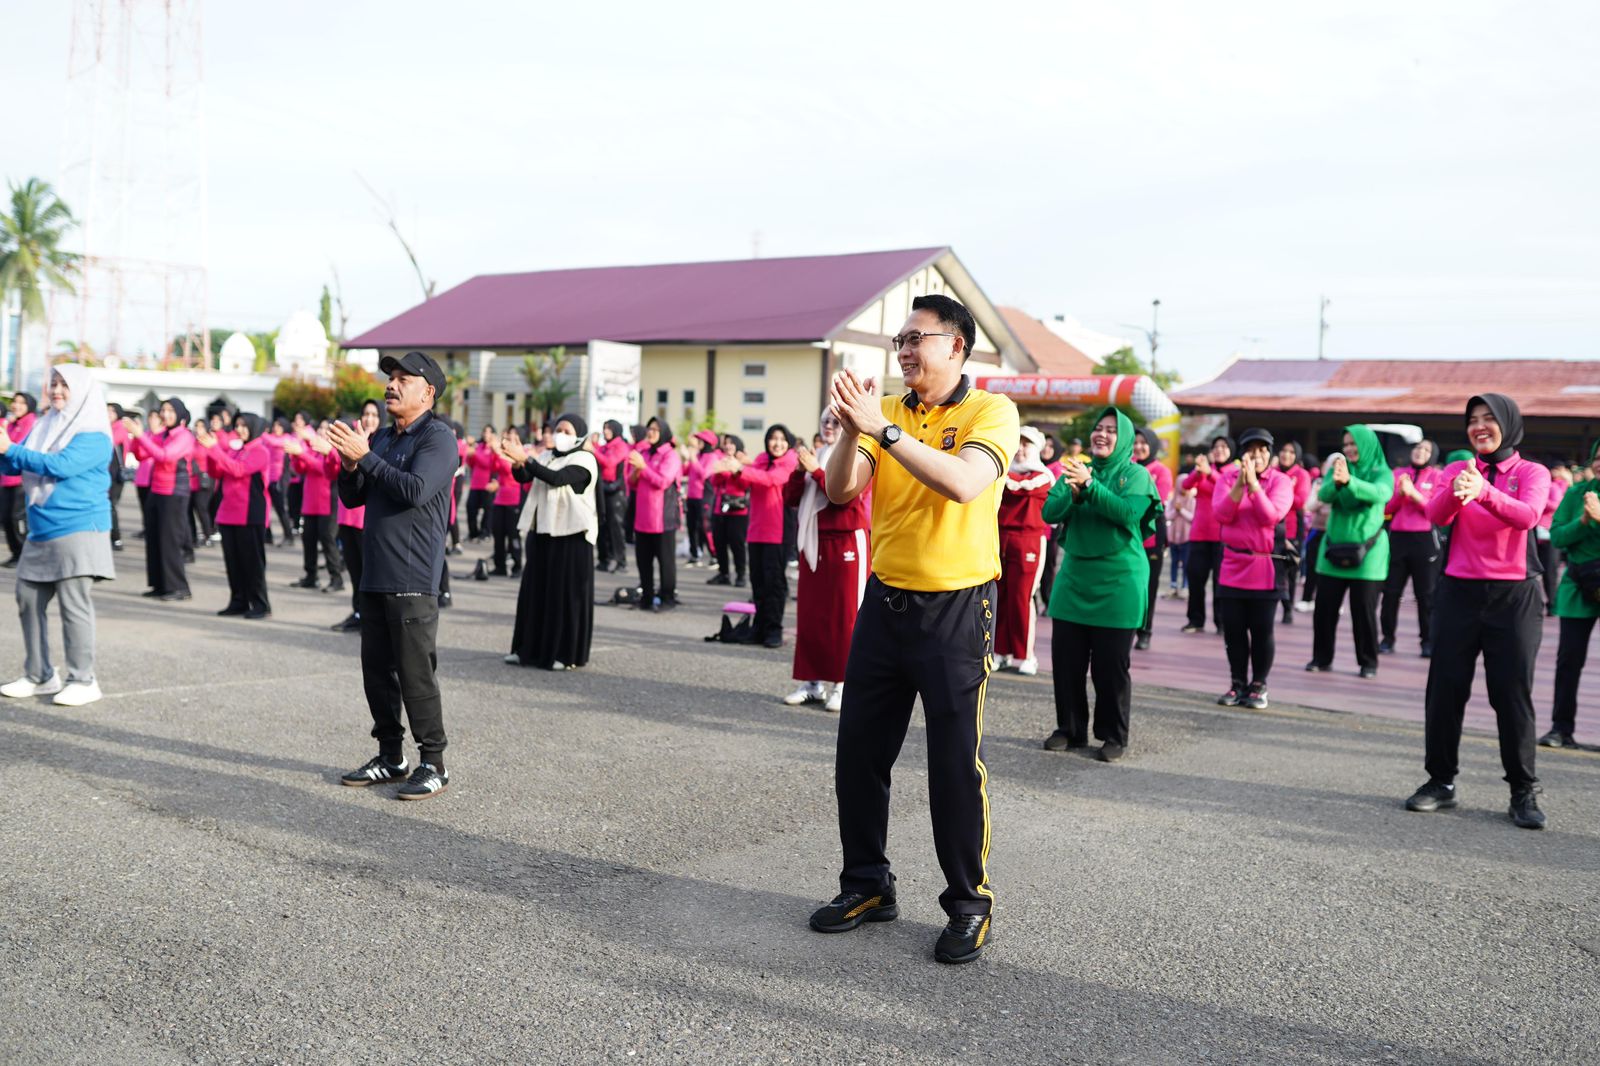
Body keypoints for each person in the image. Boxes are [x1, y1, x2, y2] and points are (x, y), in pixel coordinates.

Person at [807, 293, 1019, 966]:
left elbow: (964, 483)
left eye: (914, 339)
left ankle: (969, 903)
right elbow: (841, 490)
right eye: (898, 341)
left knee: (953, 763)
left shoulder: (990, 411)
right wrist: (853, 429)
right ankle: (867, 884)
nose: (902, 351)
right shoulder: (888, 411)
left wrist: (886, 431)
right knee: (859, 754)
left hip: (957, 608)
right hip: (886, 602)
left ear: (956, 346)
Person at [1406, 394, 1550, 830]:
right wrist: (1459, 490)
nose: (1480, 426)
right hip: (1458, 592)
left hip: (1514, 597)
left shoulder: (1532, 472)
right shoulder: (1456, 469)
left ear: (1509, 423)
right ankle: (1441, 781)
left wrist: (1484, 491)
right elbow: (1436, 515)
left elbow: (1528, 516)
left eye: (1489, 418)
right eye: (1473, 420)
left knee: (1511, 693)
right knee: (1445, 689)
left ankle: (1522, 789)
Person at [332, 351, 457, 800]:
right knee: (377, 673)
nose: (392, 385)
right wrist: (351, 465)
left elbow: (415, 490)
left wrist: (365, 457)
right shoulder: (383, 437)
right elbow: (353, 498)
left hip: (413, 575)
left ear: (428, 392)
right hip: (376, 572)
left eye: (404, 379)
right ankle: (391, 756)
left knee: (415, 675)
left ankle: (433, 763)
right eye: (391, 378)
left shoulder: (438, 438)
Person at [1041, 407, 1160, 760]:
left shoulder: (1136, 474)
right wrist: (1075, 492)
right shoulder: (1077, 468)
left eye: (1111, 430)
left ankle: (1113, 735)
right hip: (1075, 578)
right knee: (1067, 662)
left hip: (1119, 581)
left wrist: (1091, 487)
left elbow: (1128, 513)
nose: (1102, 434)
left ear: (1123, 439)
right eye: (1098, 428)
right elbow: (1050, 513)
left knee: (1110, 667)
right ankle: (1070, 729)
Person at [0, 365, 114, 707]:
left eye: (65, 384)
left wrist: (11, 450)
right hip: (42, 527)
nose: (57, 390)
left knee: (72, 603)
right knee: (27, 597)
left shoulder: (95, 433)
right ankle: (40, 675)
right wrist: (4, 450)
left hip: (79, 525)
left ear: (82, 390)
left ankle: (83, 679)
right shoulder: (44, 425)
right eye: (53, 383)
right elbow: (16, 462)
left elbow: (60, 465)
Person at [782, 411, 870, 711]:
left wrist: (818, 472)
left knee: (846, 617)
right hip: (814, 541)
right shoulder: (817, 454)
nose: (829, 426)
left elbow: (846, 500)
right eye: (825, 422)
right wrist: (799, 472)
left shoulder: (857, 455)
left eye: (835, 421)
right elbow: (791, 498)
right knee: (811, 614)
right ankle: (812, 681)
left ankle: (844, 683)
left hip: (845, 542)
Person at [500, 414, 599, 669]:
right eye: (558, 429)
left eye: (566, 431)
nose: (560, 434)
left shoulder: (584, 459)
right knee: (535, 591)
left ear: (579, 435)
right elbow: (526, 477)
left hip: (572, 535)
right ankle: (527, 649)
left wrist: (526, 459)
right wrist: (518, 462)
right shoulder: (547, 456)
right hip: (543, 530)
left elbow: (557, 479)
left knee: (563, 596)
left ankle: (563, 654)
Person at [1212, 428, 1295, 709]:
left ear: (1270, 454)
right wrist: (1240, 484)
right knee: (1234, 630)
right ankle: (1237, 683)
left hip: (1265, 567)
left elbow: (1270, 516)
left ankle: (1259, 684)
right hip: (1232, 565)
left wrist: (1255, 487)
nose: (1257, 455)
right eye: (1251, 450)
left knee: (1261, 630)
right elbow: (1222, 514)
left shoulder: (1281, 481)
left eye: (1262, 450)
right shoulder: (1227, 478)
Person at [1305, 425, 1391, 678]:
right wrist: (1338, 481)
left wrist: (1350, 482)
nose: (1349, 449)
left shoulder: (1382, 471)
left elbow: (1381, 494)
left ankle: (1368, 662)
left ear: (1367, 445)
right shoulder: (1339, 467)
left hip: (1369, 554)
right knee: (1324, 610)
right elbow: (1324, 494)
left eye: (1354, 444)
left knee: (1363, 611)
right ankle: (1321, 658)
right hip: (1333, 549)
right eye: (1345, 445)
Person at [1542, 439, 1600, 749]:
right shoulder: (1577, 493)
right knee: (1568, 660)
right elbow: (1557, 536)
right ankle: (1560, 728)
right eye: (1598, 457)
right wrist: (1584, 521)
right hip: (1578, 584)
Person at [722, 424, 798, 647]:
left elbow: (770, 479)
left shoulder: (790, 461)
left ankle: (774, 629)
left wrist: (740, 468)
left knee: (774, 584)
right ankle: (759, 628)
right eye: (773, 438)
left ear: (788, 442)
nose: (777, 443)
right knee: (758, 582)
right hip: (756, 529)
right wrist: (732, 469)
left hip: (778, 530)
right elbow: (746, 482)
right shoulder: (761, 459)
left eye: (782, 439)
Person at [196, 412, 272, 619]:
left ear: (254, 427)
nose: (239, 429)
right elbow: (217, 472)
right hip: (228, 513)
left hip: (250, 514)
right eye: (237, 425)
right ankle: (239, 601)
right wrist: (209, 452)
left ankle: (260, 604)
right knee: (233, 562)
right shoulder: (235, 450)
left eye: (244, 426)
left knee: (252, 563)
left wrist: (215, 450)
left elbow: (238, 470)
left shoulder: (261, 451)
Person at [994, 426, 1054, 675]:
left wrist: (995, 470)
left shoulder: (1044, 476)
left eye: (1026, 444)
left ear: (1037, 448)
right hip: (1001, 537)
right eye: (1017, 443)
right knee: (999, 596)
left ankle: (1026, 655)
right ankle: (1000, 651)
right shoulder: (1005, 471)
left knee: (1022, 597)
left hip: (1028, 540)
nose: (1020, 449)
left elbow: (1019, 486)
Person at [125, 397, 195, 600]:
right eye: (163, 410)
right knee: (154, 539)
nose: (165, 414)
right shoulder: (161, 434)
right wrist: (137, 437)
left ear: (179, 414)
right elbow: (141, 455)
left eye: (170, 411)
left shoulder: (184, 436)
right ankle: (160, 584)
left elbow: (165, 456)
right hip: (156, 490)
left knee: (169, 541)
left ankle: (178, 587)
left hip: (174, 493)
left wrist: (141, 436)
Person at [1380, 439, 1442, 657]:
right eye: (1417, 447)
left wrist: (1414, 494)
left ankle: (1427, 641)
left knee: (1425, 595)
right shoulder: (1398, 474)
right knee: (1390, 592)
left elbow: (1435, 509)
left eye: (1426, 449)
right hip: (1398, 538)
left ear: (1432, 454)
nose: (1420, 451)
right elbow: (1386, 509)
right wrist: (1400, 494)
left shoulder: (1437, 476)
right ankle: (1387, 638)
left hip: (1424, 540)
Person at [331, 400, 383, 632]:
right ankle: (358, 612)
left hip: (366, 520)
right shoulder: (351, 440)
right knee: (354, 571)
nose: (369, 419)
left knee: (369, 573)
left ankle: (371, 617)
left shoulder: (382, 444)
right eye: (365, 414)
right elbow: (334, 473)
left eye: (374, 414)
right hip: (347, 516)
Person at [626, 416, 682, 611]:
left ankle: (667, 597)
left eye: (655, 429)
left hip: (662, 518)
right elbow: (631, 482)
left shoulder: (670, 456)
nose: (651, 432)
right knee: (643, 561)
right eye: (649, 428)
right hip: (643, 517)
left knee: (666, 562)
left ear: (663, 432)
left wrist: (643, 467)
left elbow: (663, 482)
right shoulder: (643, 453)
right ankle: (647, 597)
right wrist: (636, 472)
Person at [1180, 435, 1233, 633]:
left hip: (1222, 535)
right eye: (1216, 447)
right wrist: (1198, 472)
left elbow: (1228, 490)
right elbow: (1186, 486)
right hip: (1199, 533)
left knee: (1221, 581)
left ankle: (1222, 622)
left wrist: (1210, 473)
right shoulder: (1203, 470)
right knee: (1195, 578)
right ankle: (1196, 619)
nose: (1219, 450)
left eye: (1224, 447)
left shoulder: (1233, 472)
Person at [284, 423, 345, 592]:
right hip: (310, 504)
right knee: (308, 539)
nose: (321, 432)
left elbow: (322, 469)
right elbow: (300, 469)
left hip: (327, 503)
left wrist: (301, 453)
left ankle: (336, 578)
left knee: (328, 541)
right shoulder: (312, 450)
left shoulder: (333, 452)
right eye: (320, 429)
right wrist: (295, 456)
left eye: (326, 429)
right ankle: (311, 576)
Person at [1133, 427, 1173, 651]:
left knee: (1149, 587)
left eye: (1144, 443)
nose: (1139, 447)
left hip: (1152, 537)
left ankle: (1145, 631)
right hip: (1128, 536)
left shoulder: (1162, 471)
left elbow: (1157, 501)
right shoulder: (1127, 467)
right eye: (1136, 442)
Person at [1274, 441, 1312, 622]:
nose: (1286, 454)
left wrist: (1286, 488)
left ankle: (1287, 608)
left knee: (1289, 572)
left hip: (1292, 530)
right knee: (1272, 570)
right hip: (1271, 529)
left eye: (1291, 452)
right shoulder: (1273, 472)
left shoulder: (1302, 474)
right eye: (1283, 450)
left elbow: (1300, 502)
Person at [1, 391, 39, 567]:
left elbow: (16, 448)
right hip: (6, 478)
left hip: (21, 480)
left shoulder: (32, 424)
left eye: (21, 403)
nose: (16, 405)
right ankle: (16, 553)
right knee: (6, 518)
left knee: (17, 519)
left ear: (29, 406)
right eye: (15, 402)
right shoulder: (11, 424)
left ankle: (23, 554)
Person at [707, 434, 749, 588]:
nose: (728, 446)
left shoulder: (744, 463)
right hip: (720, 508)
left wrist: (734, 469)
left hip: (738, 510)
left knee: (737, 544)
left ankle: (741, 574)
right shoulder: (721, 461)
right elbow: (714, 481)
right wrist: (722, 469)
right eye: (726, 443)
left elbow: (745, 484)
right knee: (719, 542)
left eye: (731, 443)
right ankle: (723, 573)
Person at [593, 420, 630, 572]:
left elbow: (609, 462)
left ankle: (621, 561)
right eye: (604, 428)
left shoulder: (621, 446)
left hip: (616, 491)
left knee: (616, 527)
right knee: (602, 525)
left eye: (609, 428)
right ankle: (604, 559)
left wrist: (593, 450)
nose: (605, 431)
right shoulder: (604, 447)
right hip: (602, 489)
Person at [487, 441, 523, 577]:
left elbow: (510, 470)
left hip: (514, 500)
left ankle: (517, 565)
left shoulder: (519, 455)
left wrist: (500, 454)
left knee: (513, 535)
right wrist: (494, 454)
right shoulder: (501, 456)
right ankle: (499, 566)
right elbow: (494, 468)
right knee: (498, 534)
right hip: (500, 499)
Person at [1536, 465, 1569, 614]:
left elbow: (1556, 505)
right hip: (1536, 534)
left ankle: (1553, 604)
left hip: (1549, 534)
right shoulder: (1540, 486)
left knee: (1550, 573)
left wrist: (1540, 501)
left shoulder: (1554, 487)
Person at [684, 429, 719, 567]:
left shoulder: (712, 457)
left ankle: (714, 556)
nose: (697, 443)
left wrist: (693, 460)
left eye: (700, 440)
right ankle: (694, 555)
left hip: (704, 497)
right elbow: (686, 471)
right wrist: (686, 460)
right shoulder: (698, 456)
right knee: (691, 526)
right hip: (691, 496)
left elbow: (704, 474)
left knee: (705, 527)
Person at [464, 425, 497, 541]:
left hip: (488, 484)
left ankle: (485, 532)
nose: (486, 434)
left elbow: (487, 463)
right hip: (475, 483)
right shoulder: (479, 446)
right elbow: (471, 463)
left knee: (488, 510)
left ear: (493, 434)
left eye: (489, 432)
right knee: (470, 507)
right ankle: (473, 533)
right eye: (485, 431)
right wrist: (471, 455)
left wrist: (475, 454)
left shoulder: (494, 448)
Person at [106, 402, 128, 551]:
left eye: (111, 411)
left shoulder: (120, 428)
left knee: (111, 505)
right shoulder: (108, 428)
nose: (108, 414)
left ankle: (116, 538)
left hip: (115, 476)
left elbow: (108, 442)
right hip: (107, 473)